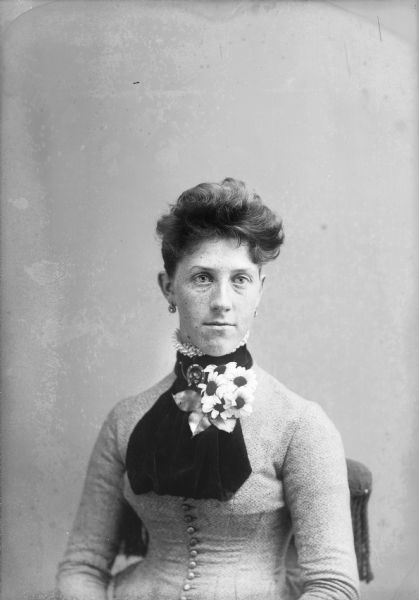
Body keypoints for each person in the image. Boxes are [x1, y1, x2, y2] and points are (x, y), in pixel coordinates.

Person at [56, 178, 360, 600]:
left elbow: (333, 586)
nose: (222, 301)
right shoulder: (125, 420)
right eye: (202, 278)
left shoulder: (300, 424)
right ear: (168, 287)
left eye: (239, 279)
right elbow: (82, 566)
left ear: (259, 291)